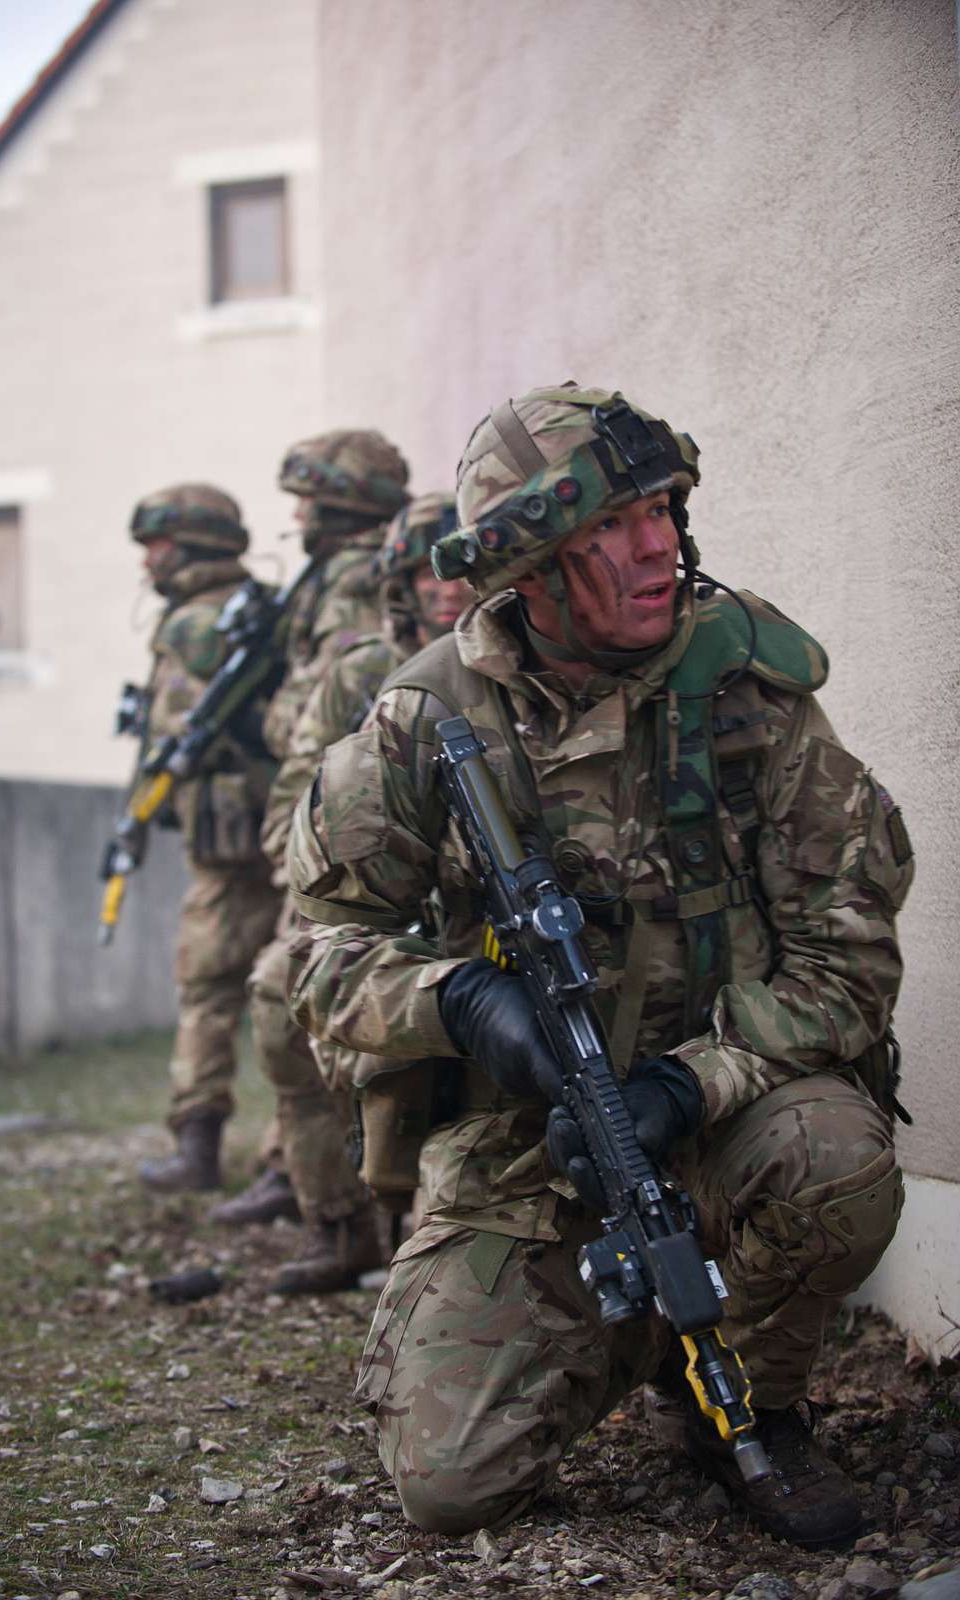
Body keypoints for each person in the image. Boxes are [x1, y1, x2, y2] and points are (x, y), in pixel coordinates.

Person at [282, 384, 914, 1546]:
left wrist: (694, 1080)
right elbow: (320, 949)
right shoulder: (429, 716)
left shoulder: (747, 689)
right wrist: (461, 1000)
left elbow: (849, 956)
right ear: (527, 565)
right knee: (448, 1483)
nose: (658, 543)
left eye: (666, 508)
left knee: (836, 1160)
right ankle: (631, 1326)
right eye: (614, 526)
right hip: (532, 1142)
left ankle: (749, 1409)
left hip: (731, 1110)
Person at [211, 430, 415, 1295]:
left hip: (355, 846)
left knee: (310, 1014)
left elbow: (334, 729)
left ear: (337, 504)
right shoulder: (332, 586)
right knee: (287, 1010)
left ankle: (354, 1217)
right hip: (328, 830)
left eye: (306, 503)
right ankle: (319, 1197)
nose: (294, 519)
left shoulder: (359, 593)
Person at [129, 483, 282, 1193]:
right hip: (251, 836)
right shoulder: (241, 614)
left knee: (214, 989)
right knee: (266, 993)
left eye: (156, 546)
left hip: (241, 844)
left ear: (191, 545)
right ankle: (277, 1159)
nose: (147, 561)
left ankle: (209, 1149)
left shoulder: (202, 623)